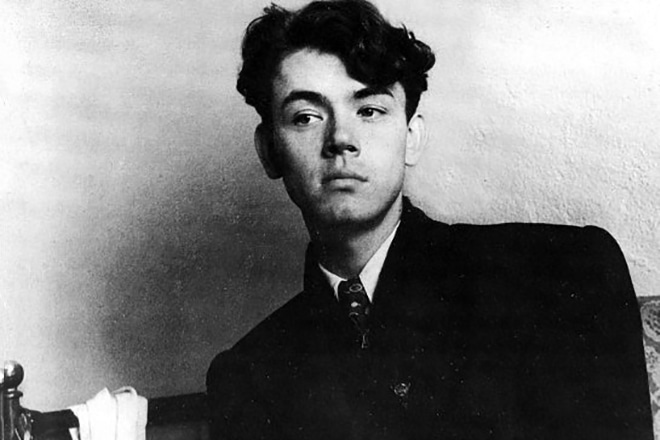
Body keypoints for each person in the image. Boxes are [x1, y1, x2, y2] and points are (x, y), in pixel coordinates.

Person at [206, 0, 653, 438]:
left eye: (369, 110)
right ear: (269, 150)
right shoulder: (249, 375)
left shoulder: (563, 273)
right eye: (306, 117)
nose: (341, 138)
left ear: (412, 137)